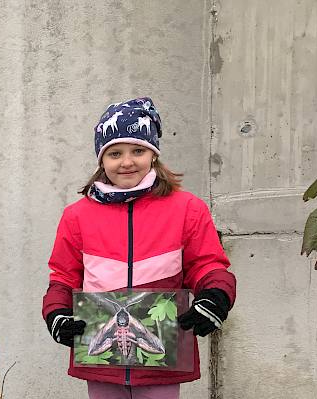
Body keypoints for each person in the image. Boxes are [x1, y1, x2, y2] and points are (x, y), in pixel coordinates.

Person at [41, 97, 237, 398]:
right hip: (101, 358)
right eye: (115, 153)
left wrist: (216, 295)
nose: (127, 161)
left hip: (162, 354)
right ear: (101, 159)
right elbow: (63, 276)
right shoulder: (77, 216)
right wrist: (57, 312)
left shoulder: (187, 209)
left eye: (138, 150)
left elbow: (208, 265)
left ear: (153, 154)